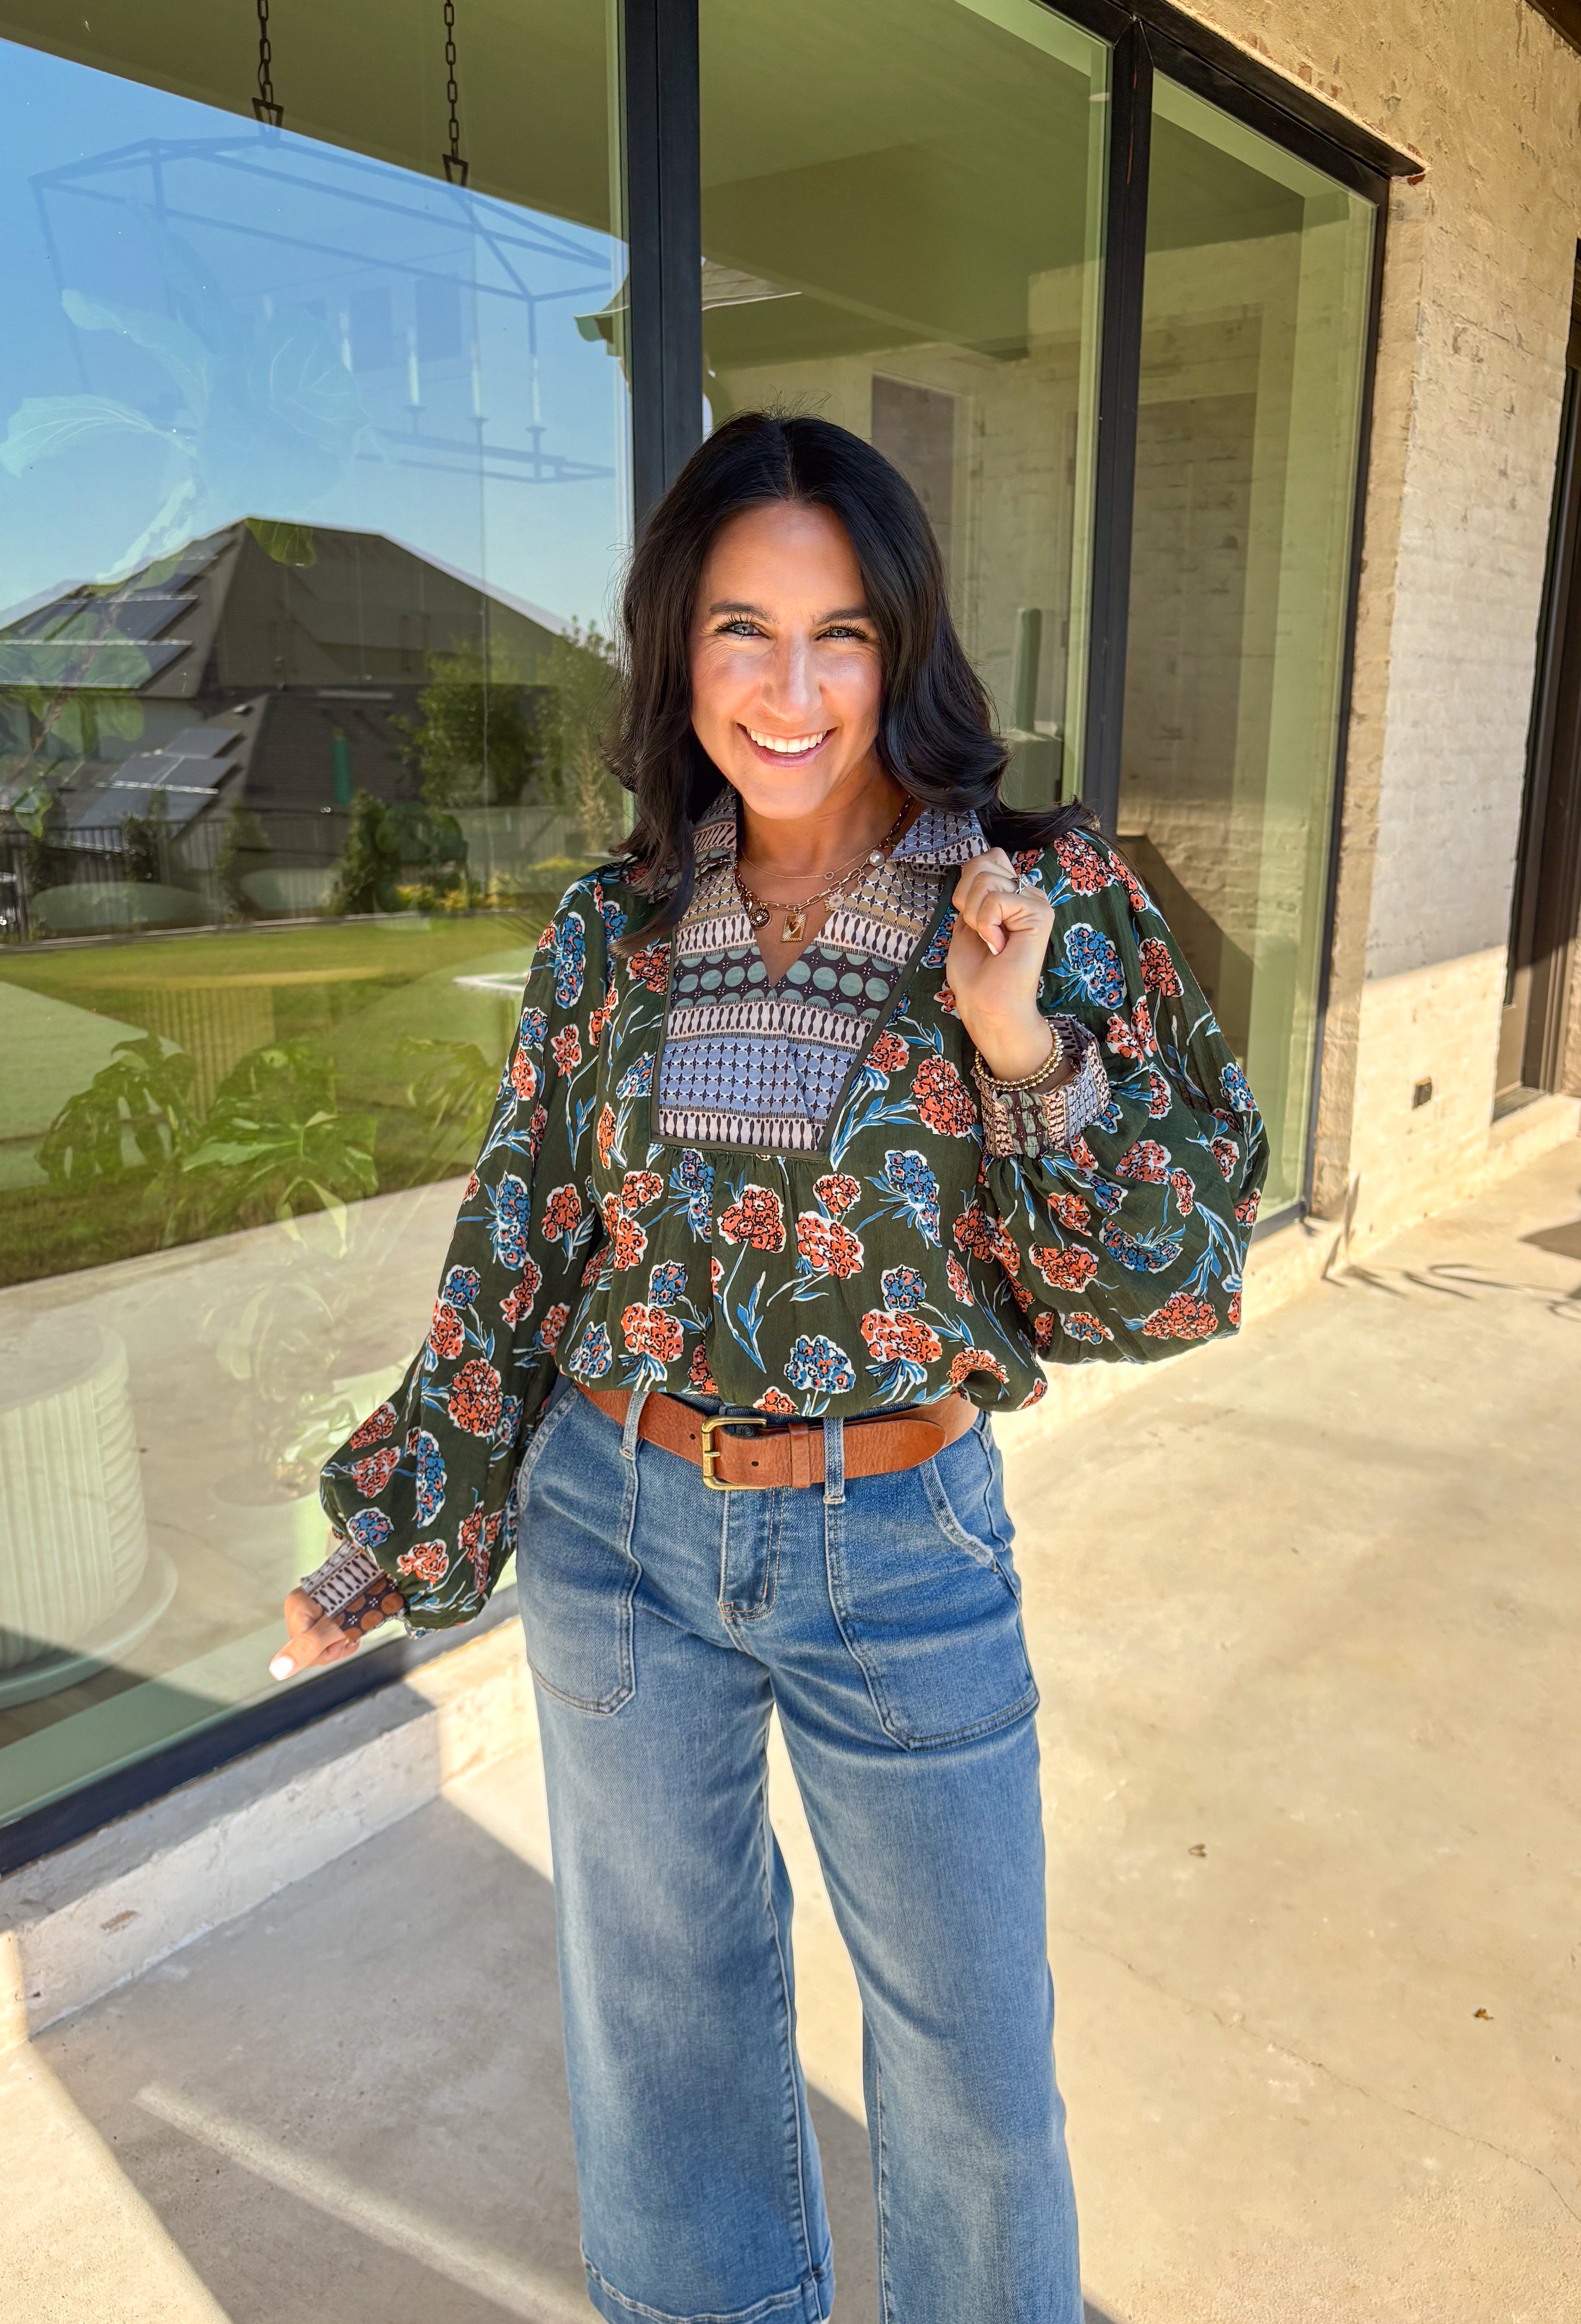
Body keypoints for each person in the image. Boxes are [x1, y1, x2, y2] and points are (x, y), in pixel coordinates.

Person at [272, 412, 1267, 2324]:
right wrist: (398, 1529)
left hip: (898, 1542)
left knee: (972, 2081)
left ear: (903, 647)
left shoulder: (1039, 907)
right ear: (676, 649)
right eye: (742, 630)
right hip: (616, 1533)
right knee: (666, 2051)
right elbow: (520, 1256)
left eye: (840, 636)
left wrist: (1021, 1055)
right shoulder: (616, 930)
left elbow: (1172, 1283)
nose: (790, 690)